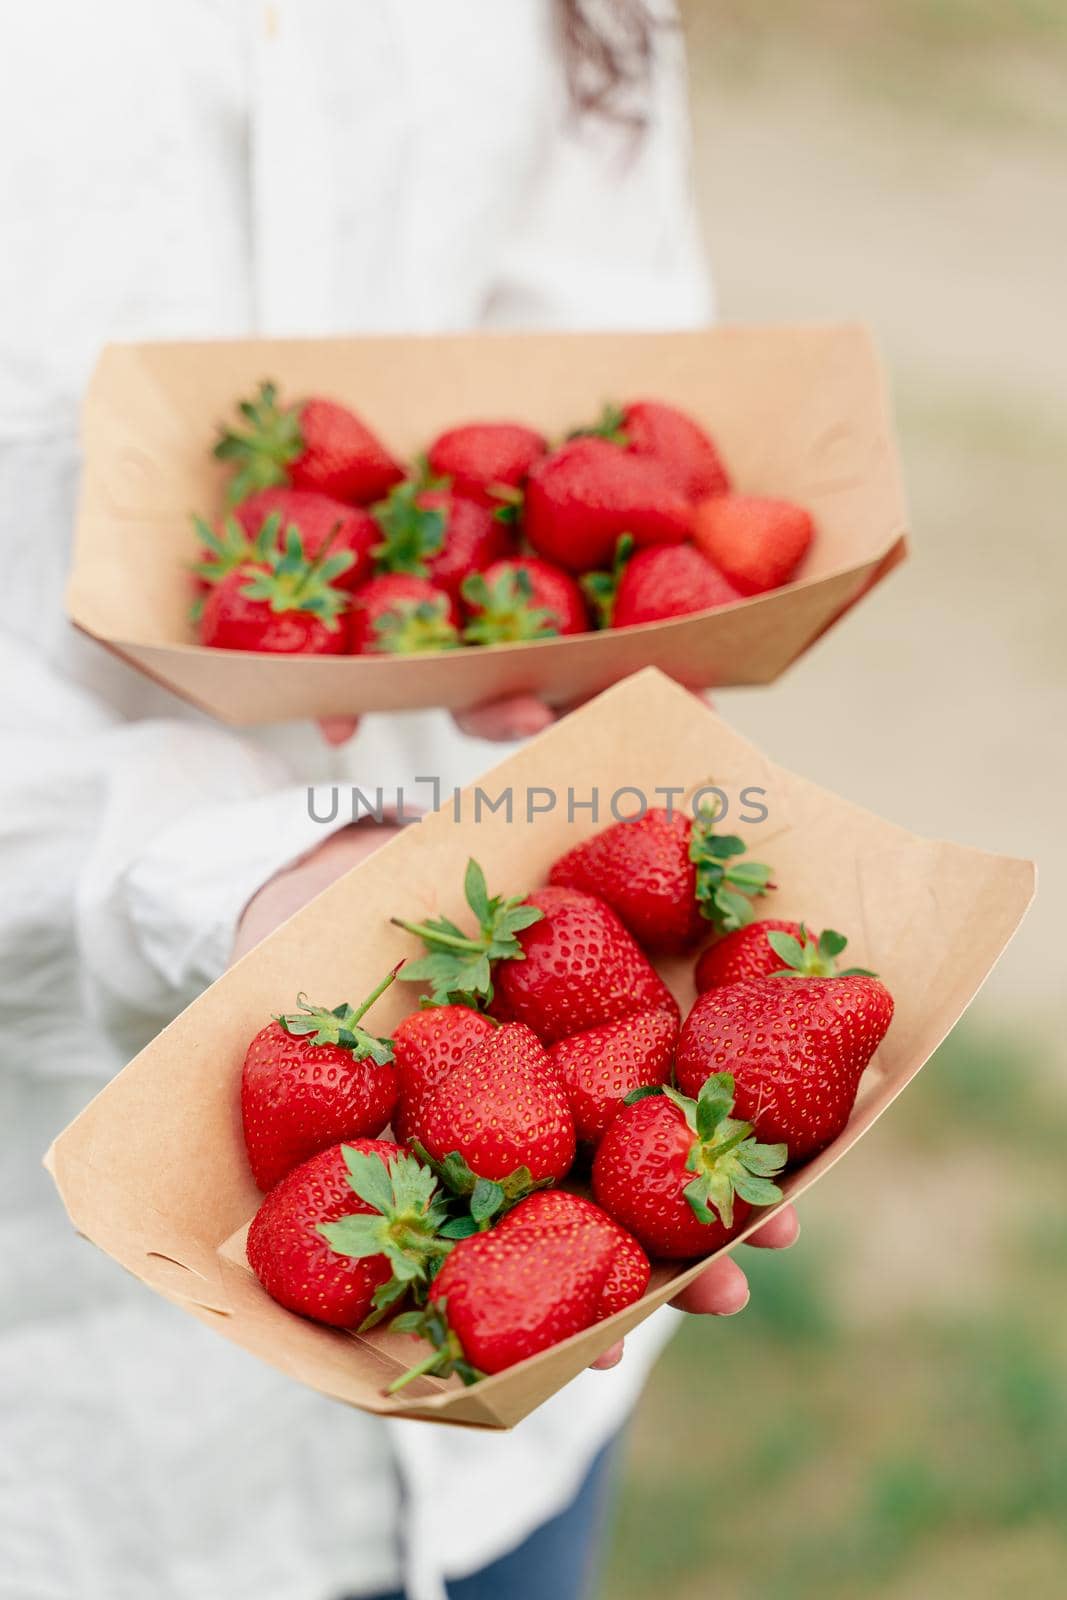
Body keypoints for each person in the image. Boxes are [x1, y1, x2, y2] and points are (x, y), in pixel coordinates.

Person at [0, 5, 797, 1598]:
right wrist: (249, 876)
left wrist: (598, 625)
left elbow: (590, 314)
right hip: (77, 1438)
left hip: (527, 1416)